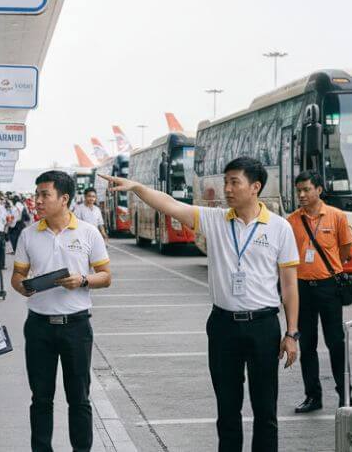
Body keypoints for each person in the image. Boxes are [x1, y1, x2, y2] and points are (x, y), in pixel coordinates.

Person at [101, 156, 299, 452]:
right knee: (227, 409)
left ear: (255, 186)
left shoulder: (280, 228)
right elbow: (170, 204)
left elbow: (289, 284)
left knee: (265, 410)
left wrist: (291, 333)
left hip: (263, 326)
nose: (227, 189)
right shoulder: (215, 219)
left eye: (235, 182)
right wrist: (138, 188)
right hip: (223, 327)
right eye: (226, 182)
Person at [11, 170, 111, 452]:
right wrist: (23, 287)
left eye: (45, 195)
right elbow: (17, 277)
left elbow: (105, 276)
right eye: (36, 195)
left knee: (79, 398)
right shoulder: (29, 235)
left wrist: (82, 280)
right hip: (39, 326)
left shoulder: (88, 233)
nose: (38, 201)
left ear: (64, 198)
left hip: (76, 327)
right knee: (40, 398)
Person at [287, 171, 352, 412]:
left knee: (336, 343)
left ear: (319, 190)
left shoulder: (337, 217)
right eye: (299, 191)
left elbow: (346, 251)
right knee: (308, 346)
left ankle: (345, 395)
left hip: (329, 288)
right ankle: (313, 396)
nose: (302, 195)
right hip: (302, 288)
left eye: (306, 189)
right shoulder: (292, 220)